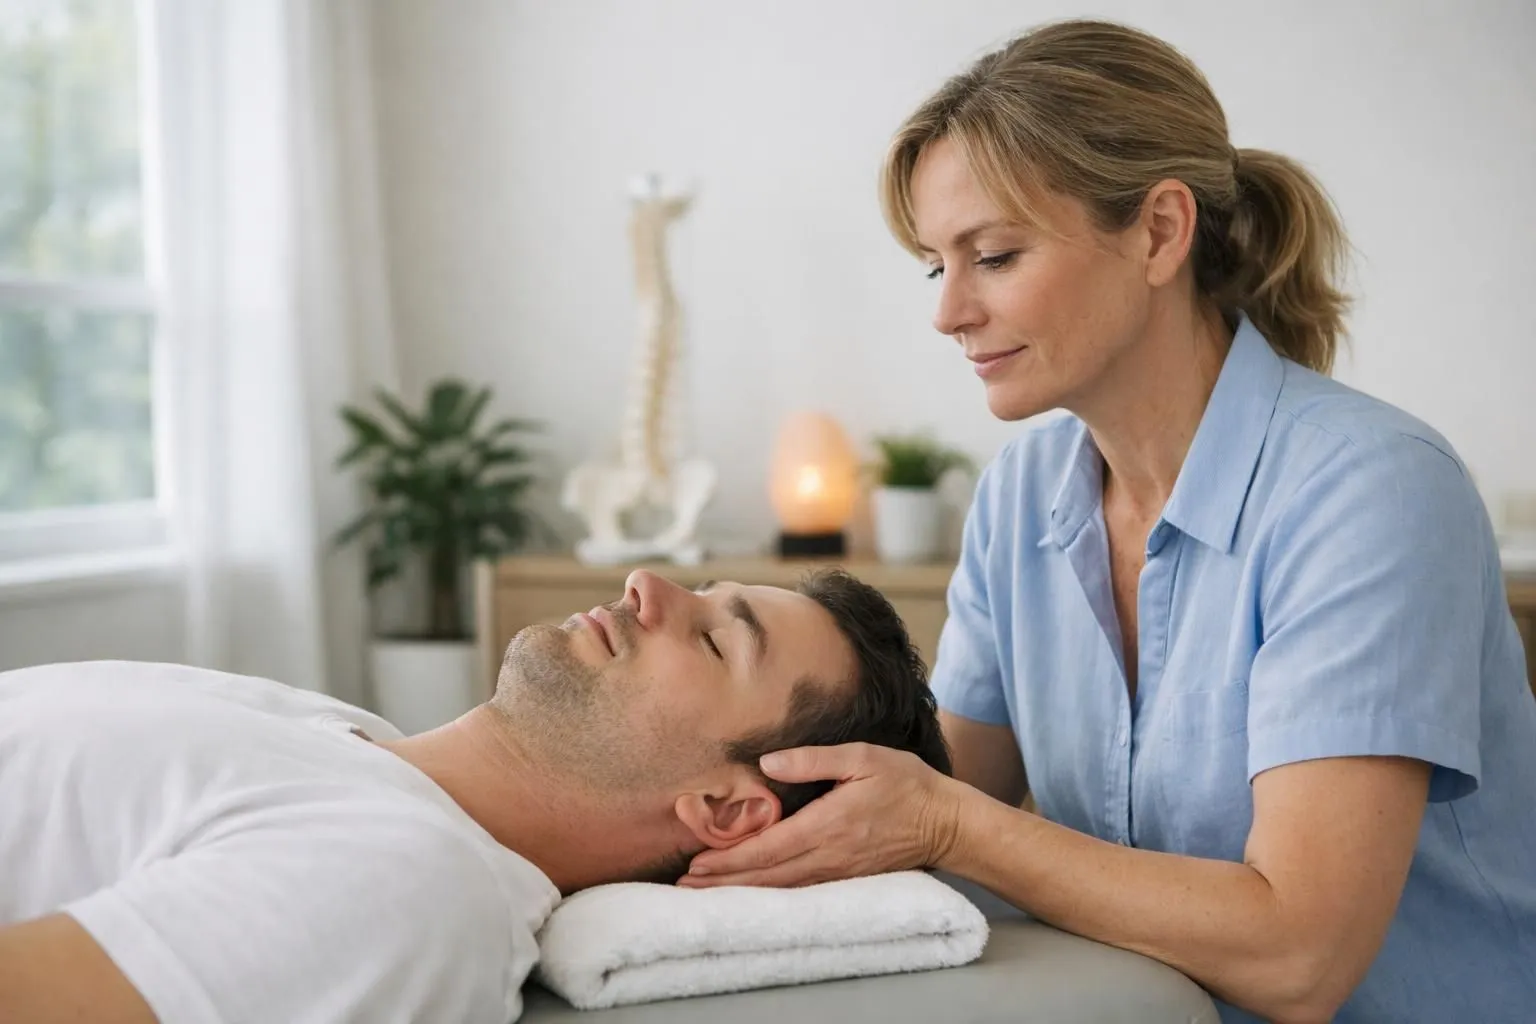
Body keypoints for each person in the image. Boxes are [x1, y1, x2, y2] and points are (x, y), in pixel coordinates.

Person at [680, 18, 1536, 1024]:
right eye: (933, 265)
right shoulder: (1021, 499)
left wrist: (945, 825)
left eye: (993, 255)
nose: (947, 311)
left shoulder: (1368, 491)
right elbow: (940, 789)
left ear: (1161, 233)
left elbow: (1303, 954)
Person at [0, 567, 950, 1024]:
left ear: (729, 808)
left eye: (710, 638)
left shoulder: (399, 887)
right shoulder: (348, 739)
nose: (646, 586)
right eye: (700, 588)